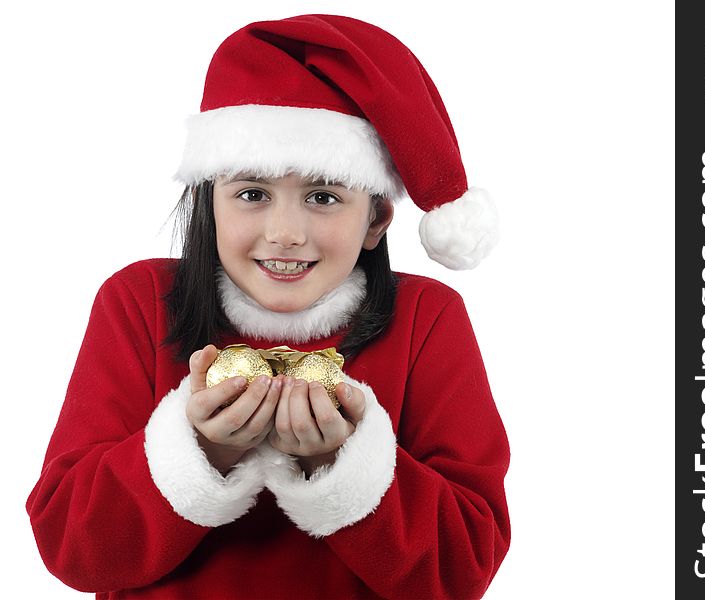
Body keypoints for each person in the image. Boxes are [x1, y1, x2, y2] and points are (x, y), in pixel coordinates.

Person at [26, 13, 510, 600]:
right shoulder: (138, 303)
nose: (285, 232)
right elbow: (71, 549)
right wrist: (202, 449)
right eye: (252, 194)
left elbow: (462, 569)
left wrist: (345, 464)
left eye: (323, 196)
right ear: (210, 202)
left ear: (377, 218)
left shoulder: (428, 319)